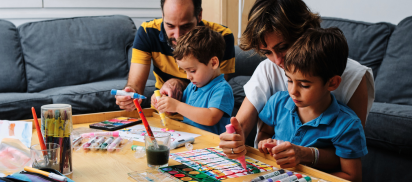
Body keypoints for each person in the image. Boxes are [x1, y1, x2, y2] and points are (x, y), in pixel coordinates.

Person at [219, 0, 374, 172]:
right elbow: (241, 125)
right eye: (267, 52)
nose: (277, 61)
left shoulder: (354, 77)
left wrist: (303, 154)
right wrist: (233, 139)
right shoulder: (268, 69)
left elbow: (350, 154)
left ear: (305, 31)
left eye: (283, 47)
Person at [258, 28, 367, 181]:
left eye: (304, 85)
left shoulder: (347, 124)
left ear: (332, 83)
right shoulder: (278, 102)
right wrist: (264, 142)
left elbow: (352, 176)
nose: (293, 91)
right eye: (289, 80)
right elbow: (265, 133)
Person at [115, 0, 235, 112]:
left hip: (200, 112)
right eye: (170, 26)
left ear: (199, 16)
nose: (177, 36)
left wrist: (180, 84)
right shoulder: (148, 32)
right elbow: (135, 86)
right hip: (164, 112)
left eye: (186, 26)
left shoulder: (221, 37)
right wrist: (129, 94)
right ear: (163, 15)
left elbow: (214, 88)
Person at [155, 26, 234, 135]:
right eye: (185, 71)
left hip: (211, 145)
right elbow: (186, 111)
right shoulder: (193, 86)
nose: (188, 77)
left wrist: (177, 106)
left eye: (192, 71)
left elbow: (211, 117)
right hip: (190, 140)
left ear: (213, 63)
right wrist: (167, 105)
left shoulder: (222, 89)